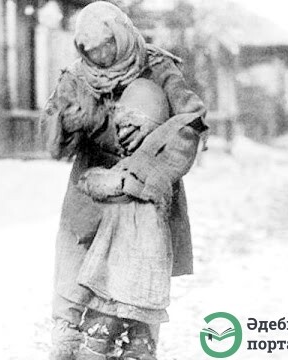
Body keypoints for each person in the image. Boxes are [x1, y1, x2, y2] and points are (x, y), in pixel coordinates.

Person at [41, 2, 208, 359]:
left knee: (136, 287)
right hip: (91, 190)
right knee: (75, 283)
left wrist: (152, 145)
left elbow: (191, 121)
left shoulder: (158, 66)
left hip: (144, 187)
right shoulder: (75, 77)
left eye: (107, 44)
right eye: (90, 49)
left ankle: (137, 346)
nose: (100, 55)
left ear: (122, 34)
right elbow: (54, 142)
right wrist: (68, 122)